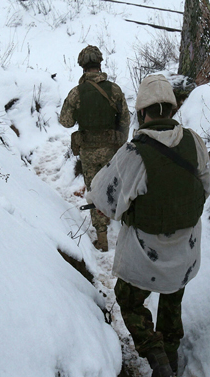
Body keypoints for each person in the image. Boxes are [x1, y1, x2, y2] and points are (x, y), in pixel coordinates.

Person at [85, 75, 210, 377]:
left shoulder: (134, 153)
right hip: (185, 250)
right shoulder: (195, 142)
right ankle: (170, 360)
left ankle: (156, 358)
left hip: (145, 255)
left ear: (142, 114)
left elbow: (104, 196)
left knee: (128, 302)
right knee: (172, 301)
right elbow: (205, 187)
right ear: (172, 108)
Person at [59, 45, 130, 252]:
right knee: (116, 187)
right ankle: (124, 230)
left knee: (94, 191)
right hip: (112, 150)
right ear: (99, 65)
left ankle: (102, 238)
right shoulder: (114, 90)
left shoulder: (76, 93)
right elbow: (125, 119)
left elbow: (65, 122)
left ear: (83, 67)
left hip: (89, 152)